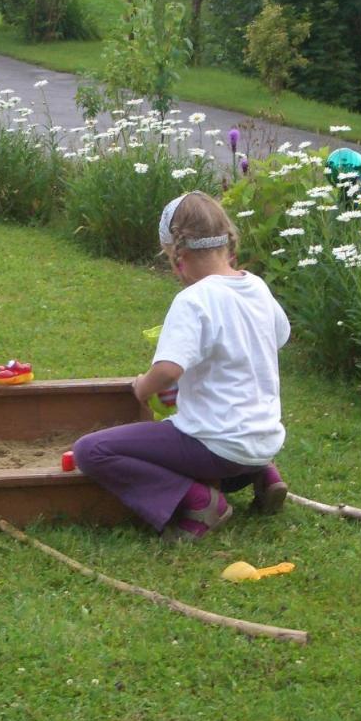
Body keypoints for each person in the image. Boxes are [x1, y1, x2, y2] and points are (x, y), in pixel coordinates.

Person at [72, 191, 290, 542]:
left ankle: (201, 503)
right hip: (263, 440)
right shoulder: (257, 287)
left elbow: (169, 370)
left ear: (180, 257)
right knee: (221, 443)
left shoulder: (194, 300)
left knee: (91, 450)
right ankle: (264, 474)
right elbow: (279, 337)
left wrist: (142, 387)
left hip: (218, 444)